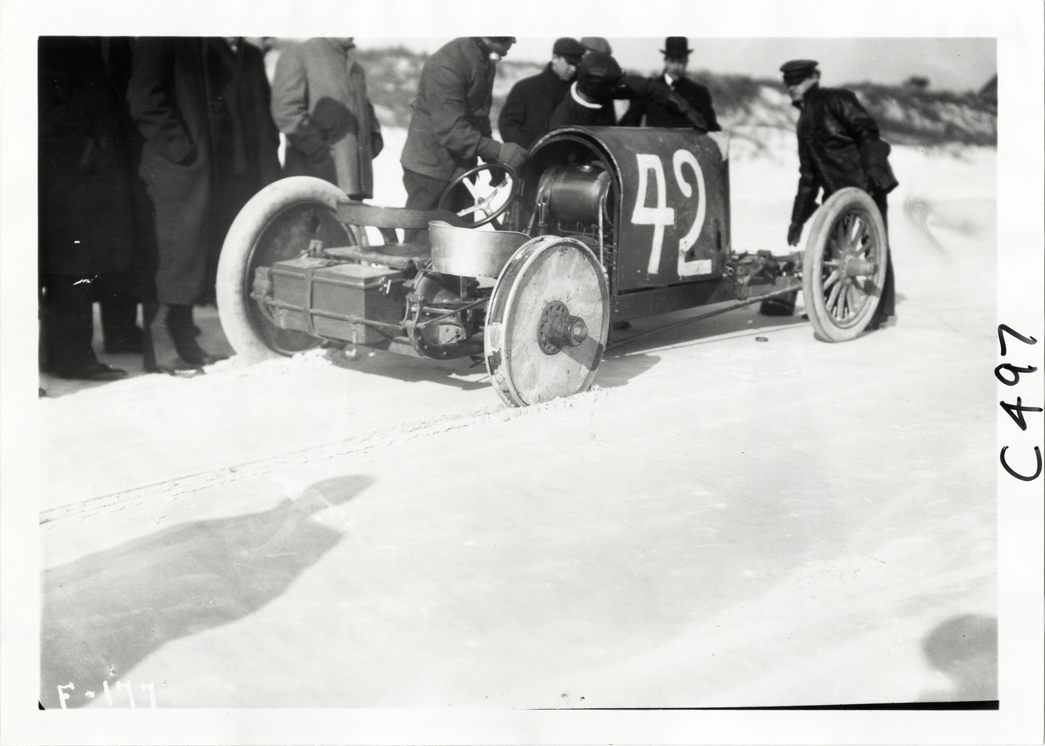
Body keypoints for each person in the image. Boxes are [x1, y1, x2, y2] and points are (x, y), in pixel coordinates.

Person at [128, 37, 281, 375]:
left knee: (187, 259)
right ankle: (166, 352)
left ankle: (184, 343)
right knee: (170, 258)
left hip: (202, 170)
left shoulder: (206, 44)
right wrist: (183, 150)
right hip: (173, 170)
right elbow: (143, 101)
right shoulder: (161, 39)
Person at [38, 36, 136, 381]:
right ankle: (72, 358)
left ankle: (61, 355)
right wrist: (84, 153)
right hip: (67, 175)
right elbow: (47, 106)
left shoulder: (90, 38)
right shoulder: (59, 38)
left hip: (84, 172)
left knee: (74, 267)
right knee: (70, 268)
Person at [780, 59, 898, 328]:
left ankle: (878, 312)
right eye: (788, 83)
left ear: (813, 78)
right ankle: (830, 307)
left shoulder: (836, 99)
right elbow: (808, 176)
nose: (791, 87)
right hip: (836, 193)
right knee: (829, 250)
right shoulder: (803, 121)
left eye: (797, 81)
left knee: (875, 246)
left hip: (868, 183)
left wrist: (874, 167)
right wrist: (797, 220)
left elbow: (867, 130)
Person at [399, 37, 528, 233]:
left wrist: (491, 157)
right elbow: (451, 130)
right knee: (422, 246)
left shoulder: (485, 61)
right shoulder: (448, 64)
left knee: (460, 243)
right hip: (430, 171)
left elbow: (479, 116)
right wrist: (499, 150)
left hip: (462, 169)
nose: (514, 42)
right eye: (509, 38)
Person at [270, 37, 384, 200]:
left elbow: (365, 109)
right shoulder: (298, 54)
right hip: (313, 182)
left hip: (353, 187)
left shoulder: (354, 64)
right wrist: (321, 153)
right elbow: (286, 111)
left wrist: (372, 142)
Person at [548, 51, 707, 131]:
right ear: (601, 91)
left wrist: (684, 108)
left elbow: (648, 87)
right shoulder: (562, 122)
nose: (619, 89)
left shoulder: (601, 88)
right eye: (614, 87)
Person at [498, 37, 586, 149]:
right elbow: (508, 125)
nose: (573, 69)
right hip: (532, 161)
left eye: (576, 64)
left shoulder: (578, 92)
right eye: (569, 63)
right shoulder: (526, 88)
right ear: (555, 58)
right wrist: (529, 152)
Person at [620, 37, 720, 131]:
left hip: (687, 148)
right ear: (665, 61)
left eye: (680, 62)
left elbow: (712, 128)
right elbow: (629, 123)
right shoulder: (648, 90)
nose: (676, 67)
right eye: (673, 61)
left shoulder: (699, 92)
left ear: (686, 62)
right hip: (656, 147)